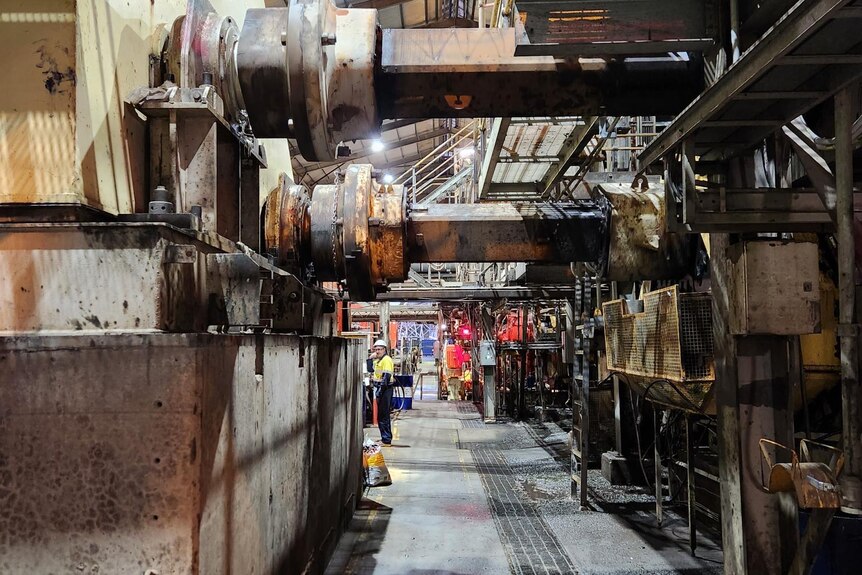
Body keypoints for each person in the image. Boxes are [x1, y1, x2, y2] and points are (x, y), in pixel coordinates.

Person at [370, 339, 395, 445]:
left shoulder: (387, 360)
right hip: (380, 388)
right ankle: (384, 437)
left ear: (384, 349)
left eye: (379, 349)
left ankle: (386, 438)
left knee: (384, 415)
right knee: (381, 415)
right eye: (376, 349)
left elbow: (386, 377)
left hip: (385, 389)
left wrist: (380, 391)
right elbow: (371, 370)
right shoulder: (378, 361)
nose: (377, 351)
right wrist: (370, 359)